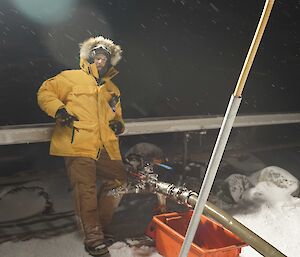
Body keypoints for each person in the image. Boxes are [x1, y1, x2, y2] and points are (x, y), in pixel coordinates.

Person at [37, 36, 127, 256]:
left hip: (106, 146)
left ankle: (100, 228)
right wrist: (59, 110)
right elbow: (45, 93)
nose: (100, 62)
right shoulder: (70, 77)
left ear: (109, 62)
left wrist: (118, 125)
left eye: (104, 59)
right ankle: (93, 238)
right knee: (84, 190)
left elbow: (117, 116)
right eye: (96, 57)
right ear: (89, 57)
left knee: (119, 182)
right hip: (77, 143)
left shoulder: (112, 88)